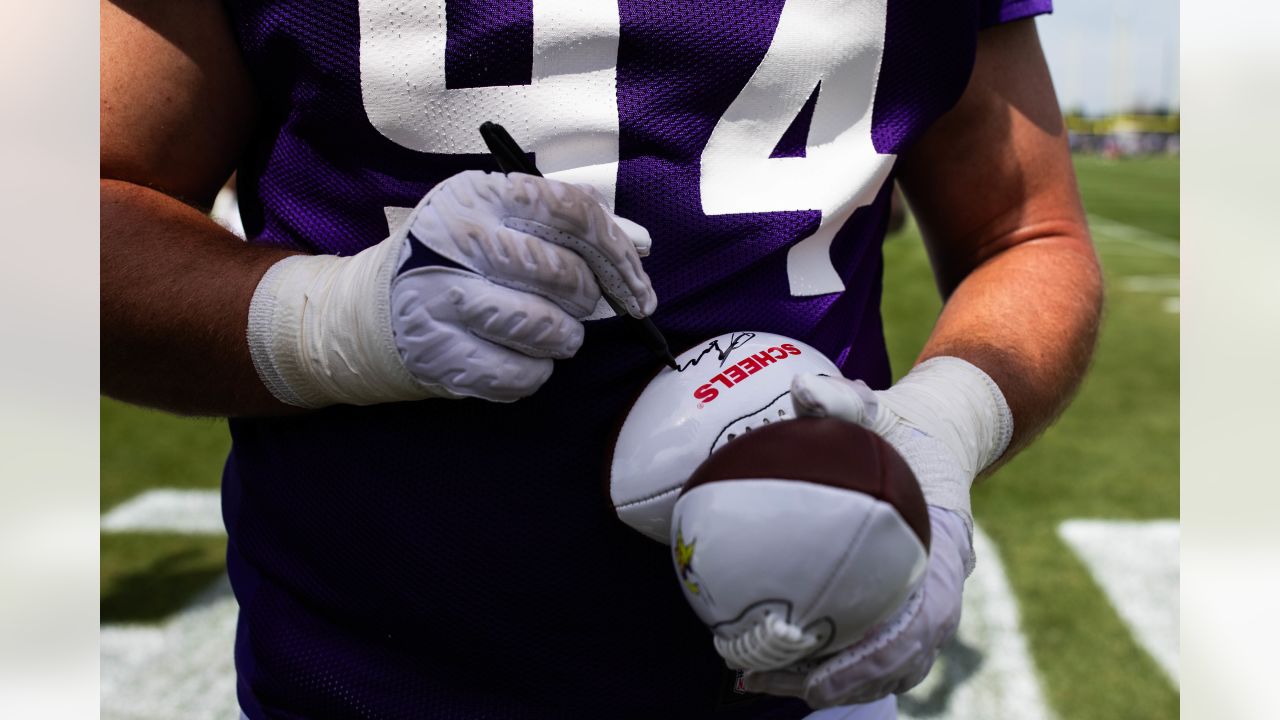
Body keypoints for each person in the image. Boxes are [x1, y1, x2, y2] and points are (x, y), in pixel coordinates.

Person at [100, 0, 1101, 718]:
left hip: (802, 673)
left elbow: (1024, 232)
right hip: (367, 675)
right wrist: (334, 321)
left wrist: (943, 424)